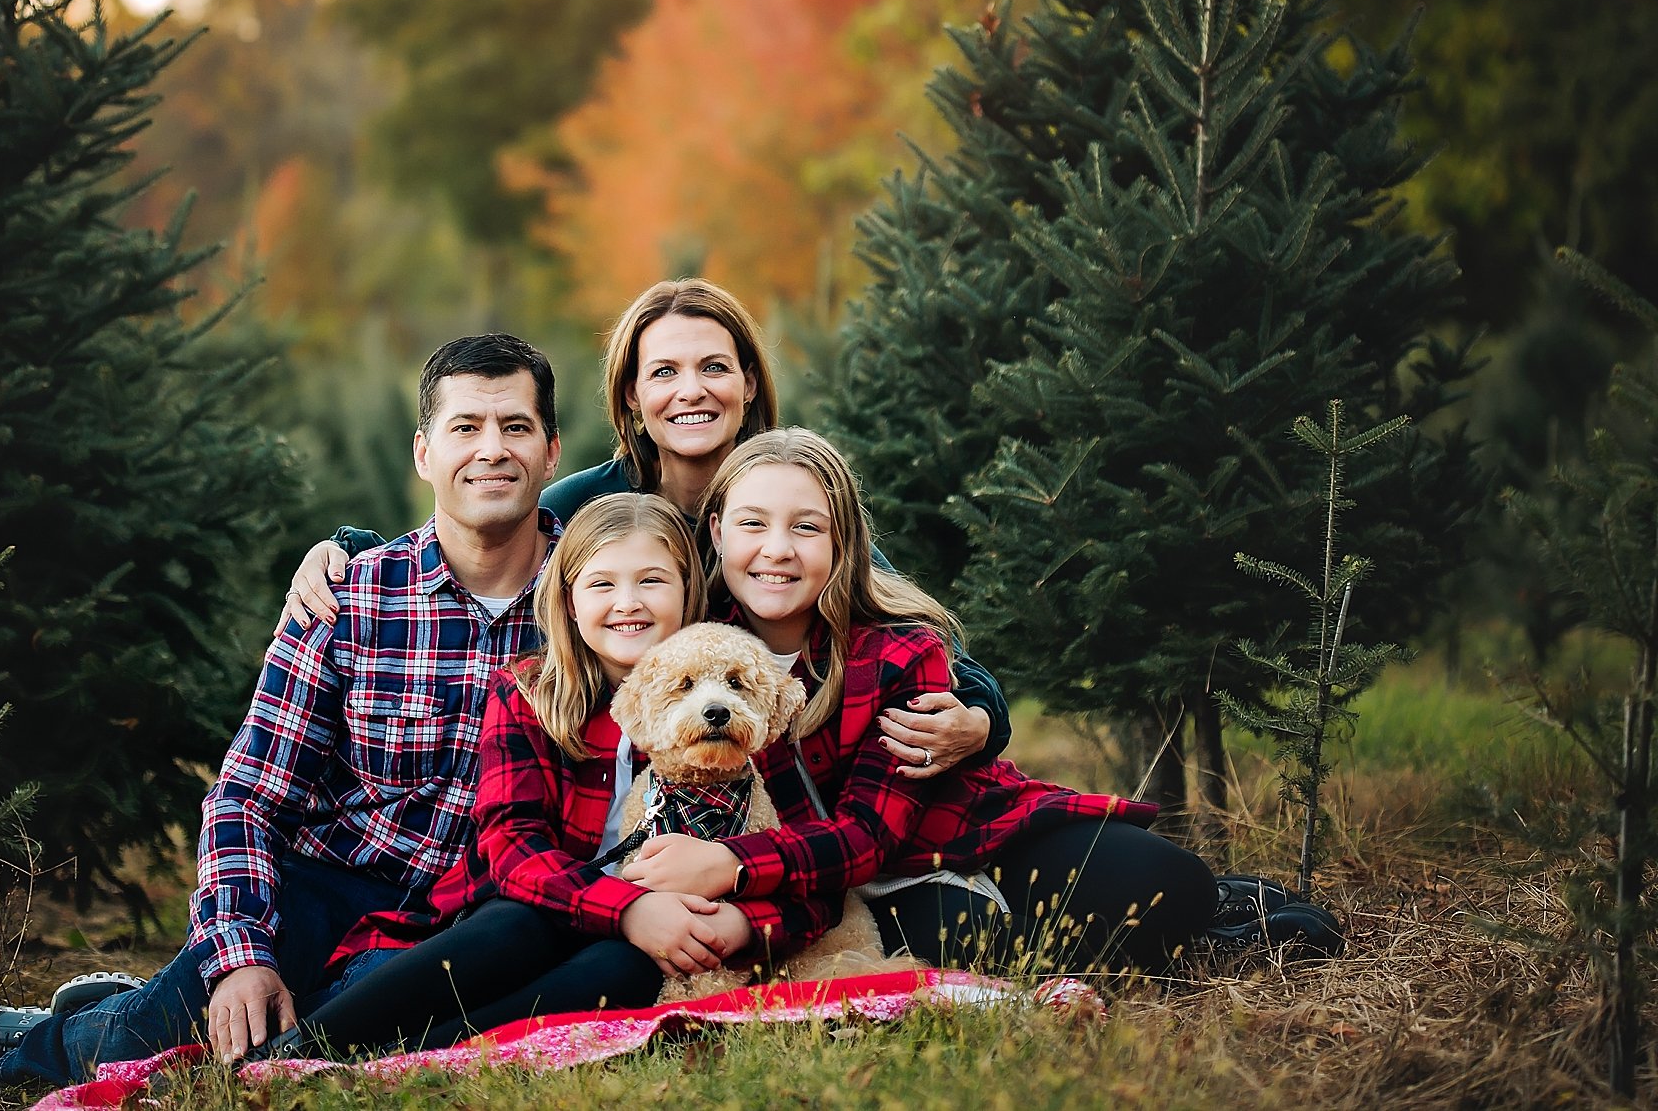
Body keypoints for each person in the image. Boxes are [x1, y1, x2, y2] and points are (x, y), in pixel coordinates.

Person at [0, 333, 567, 1084]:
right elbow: (248, 798)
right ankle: (34, 1043)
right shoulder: (354, 597)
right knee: (150, 1041)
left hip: (481, 913)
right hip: (330, 885)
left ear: (552, 451)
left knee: (334, 1054)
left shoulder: (597, 600)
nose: (492, 449)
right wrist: (241, 956)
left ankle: (143, 1001)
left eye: (516, 427)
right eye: (465, 427)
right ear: (423, 453)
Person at [278, 278, 1010, 785]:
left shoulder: (786, 505)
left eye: (715, 367)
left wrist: (982, 719)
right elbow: (475, 538)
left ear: (749, 383)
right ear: (633, 393)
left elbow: (898, 616)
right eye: (664, 371)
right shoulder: (594, 504)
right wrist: (347, 548)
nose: (691, 390)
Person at [255, 493, 843, 1056]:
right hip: (536, 911)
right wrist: (627, 909)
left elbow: (803, 874)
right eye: (602, 584)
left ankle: (416, 1057)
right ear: (567, 601)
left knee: (625, 969)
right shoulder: (529, 694)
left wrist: (738, 922)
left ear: (690, 593)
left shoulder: (733, 714)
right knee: (517, 924)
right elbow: (511, 849)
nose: (628, 602)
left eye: (653, 580)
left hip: (644, 942)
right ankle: (300, 1050)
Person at [620, 429, 1220, 974]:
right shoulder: (693, 654)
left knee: (1174, 885)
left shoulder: (898, 652)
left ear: (842, 540)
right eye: (753, 524)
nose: (777, 550)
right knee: (977, 945)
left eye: (806, 527)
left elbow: (868, 834)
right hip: (851, 885)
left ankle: (1236, 908)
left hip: (957, 833)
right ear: (718, 531)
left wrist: (733, 864)